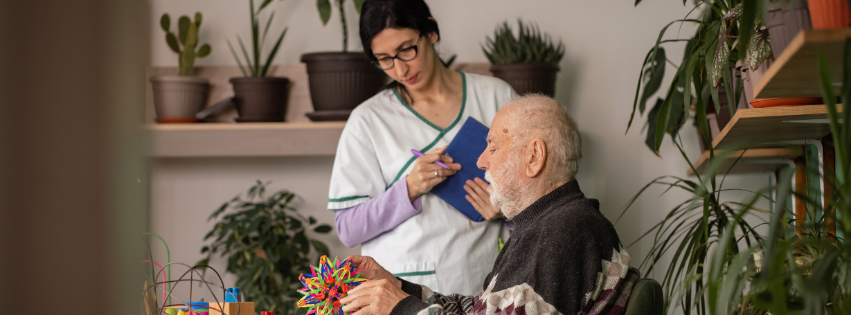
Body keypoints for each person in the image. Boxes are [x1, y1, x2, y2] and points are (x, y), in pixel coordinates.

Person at [339, 95, 639, 315]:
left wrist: (400, 308)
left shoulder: (561, 233)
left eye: (493, 146)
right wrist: (396, 287)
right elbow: (481, 310)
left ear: (534, 156)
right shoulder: (547, 224)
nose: (481, 160)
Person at [327, 0, 517, 295]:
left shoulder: (495, 96)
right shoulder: (367, 120)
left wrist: (507, 209)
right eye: (384, 59)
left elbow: (542, 200)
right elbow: (349, 229)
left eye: (406, 50)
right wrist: (409, 188)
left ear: (431, 32)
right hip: (399, 293)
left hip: (485, 286)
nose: (400, 69)